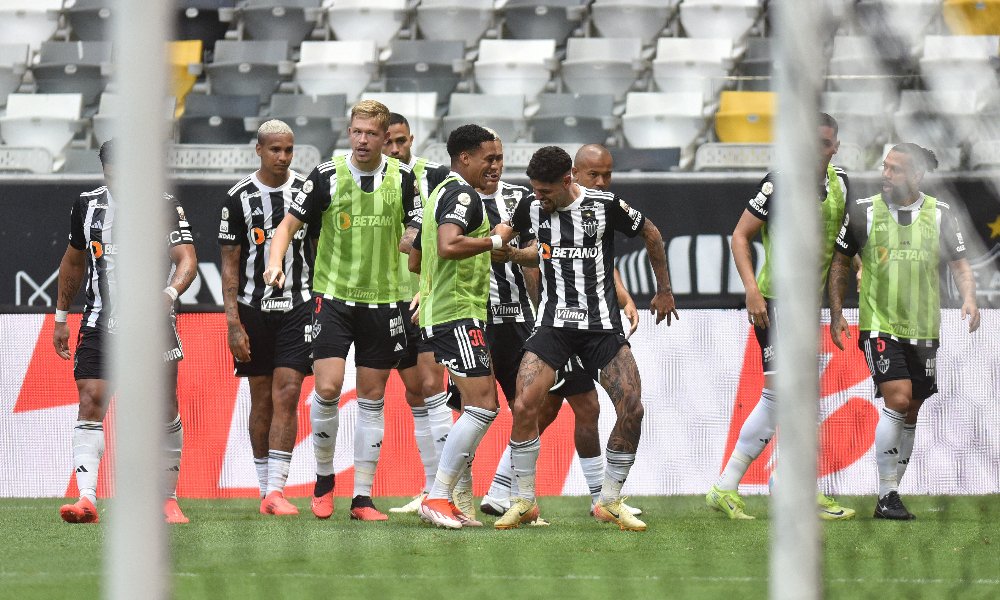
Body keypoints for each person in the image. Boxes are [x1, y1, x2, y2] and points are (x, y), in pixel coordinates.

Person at [497, 145, 678, 531]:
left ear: (567, 181)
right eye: (535, 190)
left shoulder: (605, 205)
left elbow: (652, 234)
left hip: (600, 328)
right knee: (525, 402)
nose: (538, 198)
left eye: (545, 191)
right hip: (552, 327)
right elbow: (508, 239)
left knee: (632, 407)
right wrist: (499, 249)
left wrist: (663, 290)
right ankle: (524, 501)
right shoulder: (529, 206)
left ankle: (608, 500)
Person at [264, 100, 421, 521]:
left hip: (384, 300)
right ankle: (323, 480)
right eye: (356, 131)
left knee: (372, 399)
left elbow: (419, 228)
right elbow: (287, 227)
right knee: (329, 388)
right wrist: (274, 262)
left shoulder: (403, 179)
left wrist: (413, 246)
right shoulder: (327, 176)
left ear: (385, 138)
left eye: (371, 133)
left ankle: (362, 498)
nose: (362, 140)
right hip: (332, 298)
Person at [706, 113, 857, 521]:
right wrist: (751, 291)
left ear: (835, 147)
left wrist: (845, 295)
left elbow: (842, 247)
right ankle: (739, 486)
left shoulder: (841, 184)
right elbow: (740, 235)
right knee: (782, 397)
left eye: (825, 143)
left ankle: (771, 485)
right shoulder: (779, 181)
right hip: (774, 302)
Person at [829, 143, 979, 520]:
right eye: (885, 166)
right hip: (880, 324)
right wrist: (836, 312)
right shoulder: (863, 211)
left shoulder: (941, 215)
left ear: (916, 176)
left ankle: (893, 492)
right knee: (897, 399)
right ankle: (885, 496)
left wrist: (970, 299)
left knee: (911, 410)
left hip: (925, 328)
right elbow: (840, 262)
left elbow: (961, 265)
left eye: (895, 169)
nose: (886, 174)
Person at [53, 139, 198, 524]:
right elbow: (72, 260)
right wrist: (60, 316)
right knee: (90, 400)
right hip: (101, 321)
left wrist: (168, 294)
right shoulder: (87, 205)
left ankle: (167, 499)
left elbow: (187, 259)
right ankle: (86, 499)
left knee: (164, 409)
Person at [411, 124, 516, 529]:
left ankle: (444, 496)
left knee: (483, 405)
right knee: (482, 406)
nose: (495, 166)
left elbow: (419, 258)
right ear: (464, 158)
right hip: (458, 312)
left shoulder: (440, 191)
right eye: (488, 158)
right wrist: (493, 241)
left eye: (498, 158)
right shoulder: (462, 194)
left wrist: (429, 291)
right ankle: (437, 495)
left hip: (453, 309)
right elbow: (447, 246)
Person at [219, 120, 315, 516]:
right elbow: (230, 263)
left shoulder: (306, 192)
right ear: (258, 149)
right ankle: (265, 491)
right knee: (260, 397)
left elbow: (321, 247)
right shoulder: (237, 198)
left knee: (288, 392)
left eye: (289, 150)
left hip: (300, 305)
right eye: (275, 149)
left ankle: (277, 489)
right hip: (253, 309)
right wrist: (232, 322)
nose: (283, 157)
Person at [382, 113, 456, 515]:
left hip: (426, 296)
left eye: (400, 142)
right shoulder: (368, 181)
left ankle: (447, 490)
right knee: (413, 392)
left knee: (432, 385)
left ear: (412, 139)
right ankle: (430, 487)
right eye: (388, 143)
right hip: (387, 298)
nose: (395, 150)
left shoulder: (436, 177)